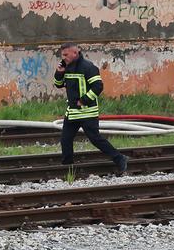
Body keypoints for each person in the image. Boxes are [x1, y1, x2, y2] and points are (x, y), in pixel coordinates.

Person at [54, 43, 128, 175]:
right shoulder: (66, 67)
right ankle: (68, 168)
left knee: (95, 139)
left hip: (88, 112)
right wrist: (59, 73)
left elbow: (98, 86)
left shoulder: (88, 67)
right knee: (65, 139)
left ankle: (120, 158)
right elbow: (58, 85)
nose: (63, 57)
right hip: (72, 112)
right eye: (62, 55)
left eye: (66, 55)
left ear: (75, 53)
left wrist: (84, 100)